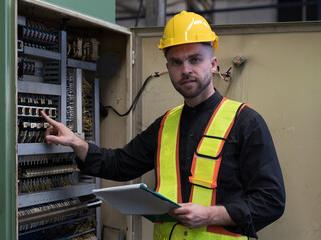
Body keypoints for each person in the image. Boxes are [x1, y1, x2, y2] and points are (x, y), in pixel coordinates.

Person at [41, 11, 285, 240]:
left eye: (195, 59)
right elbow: (119, 164)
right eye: (176, 62)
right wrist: (75, 141)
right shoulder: (167, 124)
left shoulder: (245, 121)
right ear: (168, 68)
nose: (186, 70)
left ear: (212, 64)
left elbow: (271, 201)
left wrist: (210, 214)